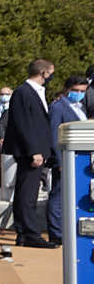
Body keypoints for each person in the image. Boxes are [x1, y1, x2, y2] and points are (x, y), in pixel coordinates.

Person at [11, 59, 58, 248]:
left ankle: (24, 233)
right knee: (27, 194)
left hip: (37, 150)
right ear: (44, 73)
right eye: (51, 73)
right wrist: (34, 151)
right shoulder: (24, 92)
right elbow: (24, 124)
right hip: (31, 152)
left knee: (27, 192)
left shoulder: (35, 92)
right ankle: (29, 233)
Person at [49, 75, 90, 245]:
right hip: (65, 158)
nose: (79, 94)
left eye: (82, 91)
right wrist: (59, 161)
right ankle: (56, 233)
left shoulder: (80, 107)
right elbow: (54, 135)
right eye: (75, 91)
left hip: (80, 158)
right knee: (58, 196)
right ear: (67, 89)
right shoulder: (58, 108)